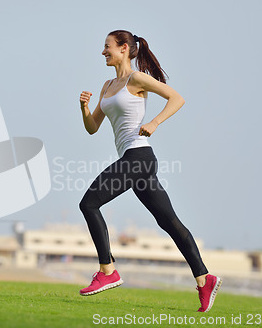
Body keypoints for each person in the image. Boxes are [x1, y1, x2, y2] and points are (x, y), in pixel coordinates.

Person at [78, 30, 221, 312]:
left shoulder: (137, 79)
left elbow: (176, 98)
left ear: (123, 49)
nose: (103, 52)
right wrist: (83, 108)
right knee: (169, 222)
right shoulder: (107, 85)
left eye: (107, 47)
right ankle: (205, 279)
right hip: (135, 160)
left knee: (89, 203)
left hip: (139, 156)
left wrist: (154, 123)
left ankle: (108, 272)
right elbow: (92, 127)